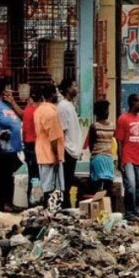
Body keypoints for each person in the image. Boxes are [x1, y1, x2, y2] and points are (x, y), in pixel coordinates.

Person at [115, 93, 139, 222]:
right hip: (128, 156)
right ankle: (129, 212)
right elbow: (119, 141)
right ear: (133, 103)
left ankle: (137, 211)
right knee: (130, 186)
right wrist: (120, 158)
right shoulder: (123, 119)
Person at [34, 84, 65, 208]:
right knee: (53, 187)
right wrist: (57, 156)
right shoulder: (51, 113)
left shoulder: (39, 110)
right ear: (52, 94)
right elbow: (54, 138)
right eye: (56, 93)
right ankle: (51, 211)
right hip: (51, 154)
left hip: (42, 152)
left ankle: (46, 210)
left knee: (46, 185)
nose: (57, 96)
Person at [56, 78, 82, 209]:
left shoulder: (69, 105)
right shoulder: (63, 106)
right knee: (66, 181)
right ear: (67, 89)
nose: (77, 89)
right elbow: (62, 130)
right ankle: (64, 206)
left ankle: (67, 206)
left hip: (73, 149)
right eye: (74, 85)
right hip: (68, 149)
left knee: (69, 180)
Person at [86, 100, 115, 193]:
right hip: (108, 158)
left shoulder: (94, 126)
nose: (108, 112)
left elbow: (91, 144)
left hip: (97, 157)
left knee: (96, 186)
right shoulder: (112, 126)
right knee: (108, 185)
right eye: (106, 110)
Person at [22, 91, 43, 206]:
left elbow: (24, 132)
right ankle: (36, 201)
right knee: (37, 175)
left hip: (27, 145)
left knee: (32, 174)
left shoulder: (26, 111)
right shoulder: (37, 111)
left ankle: (30, 201)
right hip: (36, 145)